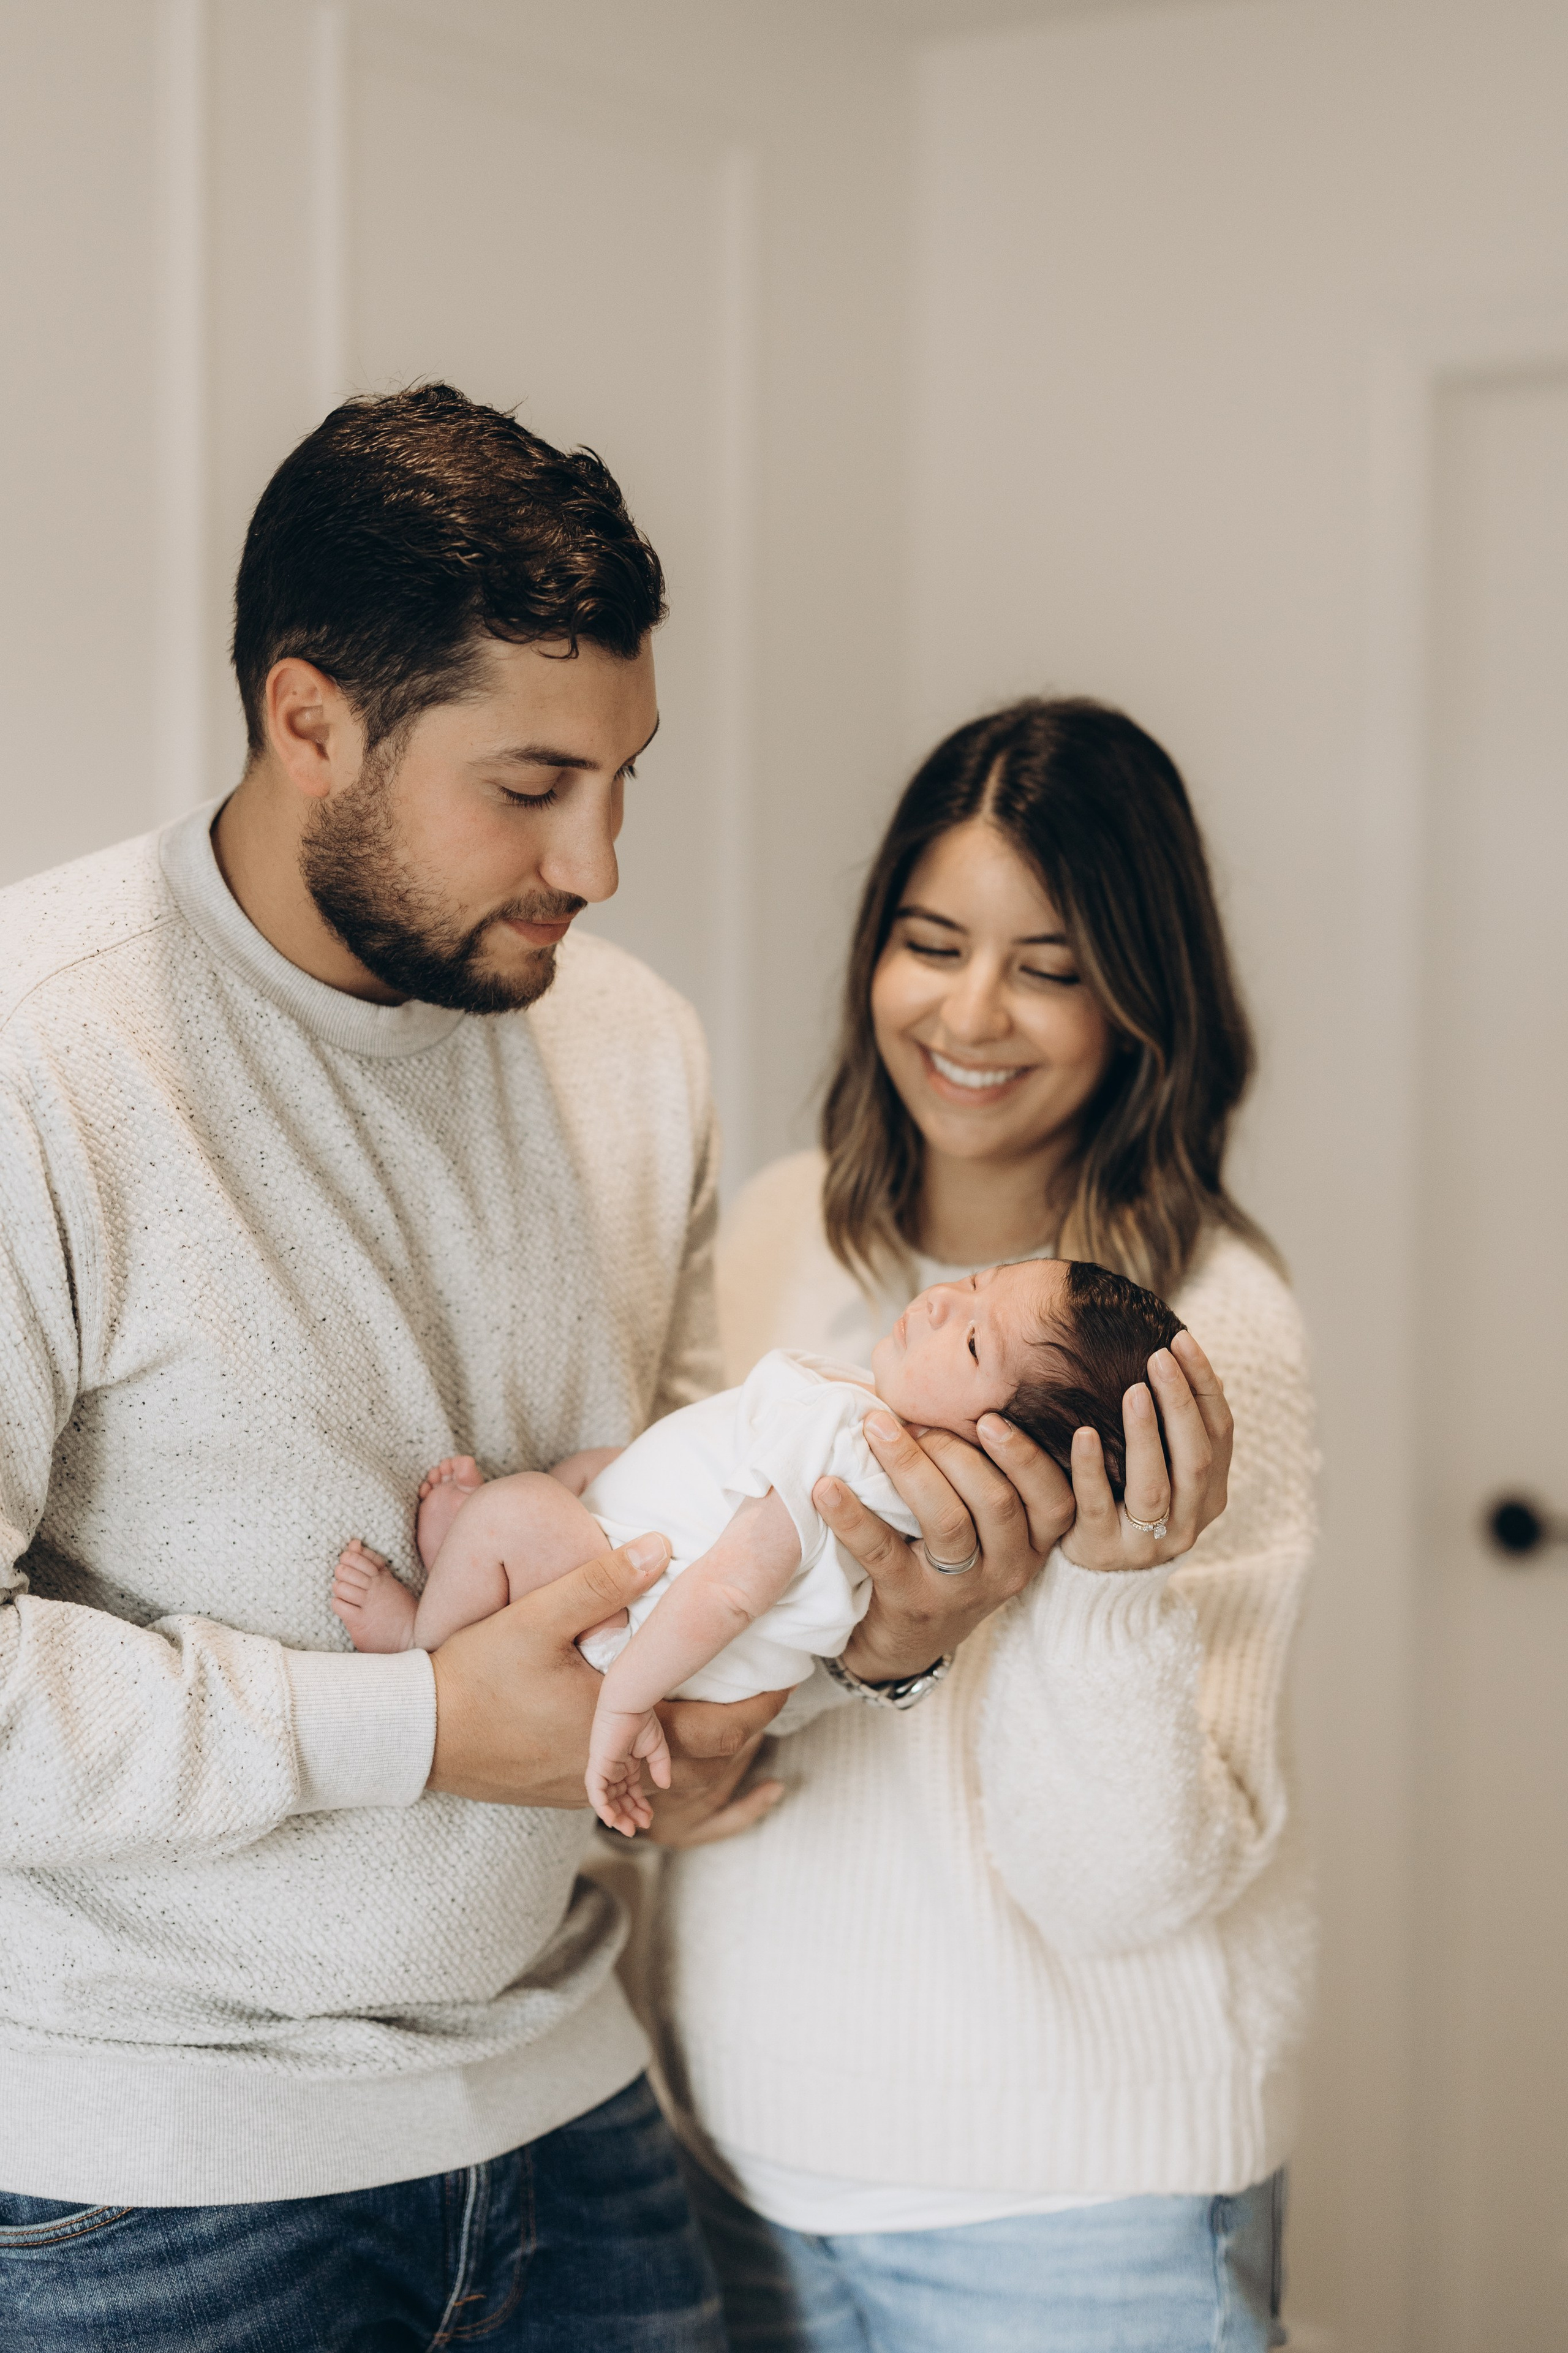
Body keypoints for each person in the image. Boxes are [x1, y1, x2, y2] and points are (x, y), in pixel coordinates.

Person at [0, 382, 791, 2351]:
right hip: (146, 2186)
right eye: (530, 787)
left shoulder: (634, 1046)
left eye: (625, 778)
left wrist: (725, 1696)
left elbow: (680, 1496)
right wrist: (425, 1728)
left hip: (567, 2104)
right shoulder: (43, 1060)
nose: (597, 860)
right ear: (308, 721)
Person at [650, 698, 1316, 2353]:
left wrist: (1099, 1591)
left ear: (1143, 998)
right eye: (930, 942)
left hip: (1076, 2202)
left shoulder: (1202, 1332)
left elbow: (1122, 1888)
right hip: (745, 2150)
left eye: (1049, 964)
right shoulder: (776, 1235)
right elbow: (684, 1649)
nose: (969, 1012)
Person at [332, 1256, 1183, 1833]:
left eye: (971, 1342)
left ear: (1001, 1443)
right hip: (666, 1599)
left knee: (520, 1509)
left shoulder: (852, 1450)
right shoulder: (883, 1444)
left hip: (649, 1629)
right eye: (977, 1281)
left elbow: (734, 1589)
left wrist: (626, 1699)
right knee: (599, 1467)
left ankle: (424, 1636)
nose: (943, 1301)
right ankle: (491, 1566)